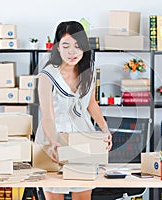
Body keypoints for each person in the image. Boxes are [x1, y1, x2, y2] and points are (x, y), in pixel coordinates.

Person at [35, 21, 112, 200]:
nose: (72, 52)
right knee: (54, 193)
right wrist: (53, 142)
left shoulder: (89, 72)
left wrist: (105, 130)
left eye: (77, 46)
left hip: (83, 137)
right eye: (66, 45)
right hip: (53, 138)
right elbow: (47, 116)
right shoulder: (47, 75)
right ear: (57, 47)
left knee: (83, 194)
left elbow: (91, 104)